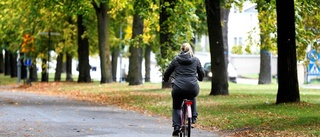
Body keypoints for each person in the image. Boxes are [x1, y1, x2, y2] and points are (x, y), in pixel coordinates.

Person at [162, 42, 205, 136]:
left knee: (176, 107)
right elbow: (201, 72)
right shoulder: (195, 60)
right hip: (192, 87)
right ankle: (193, 118)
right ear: (190, 50)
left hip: (178, 88)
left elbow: (168, 71)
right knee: (192, 97)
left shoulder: (176, 60)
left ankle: (176, 127)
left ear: (181, 50)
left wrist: (165, 79)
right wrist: (200, 78)